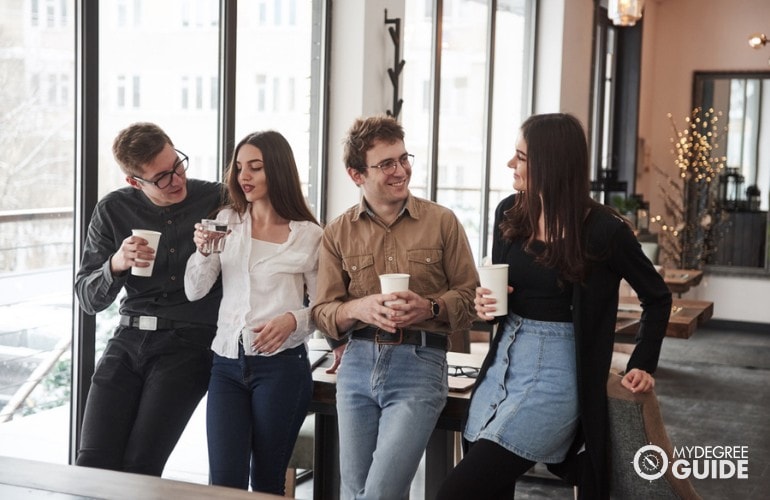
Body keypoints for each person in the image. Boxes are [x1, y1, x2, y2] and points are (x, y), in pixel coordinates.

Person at [436, 113, 673, 499]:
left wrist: (643, 362)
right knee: (488, 488)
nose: (511, 164)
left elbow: (657, 297)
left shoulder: (604, 230)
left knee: (457, 491)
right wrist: (487, 304)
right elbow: (501, 299)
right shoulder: (509, 211)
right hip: (503, 365)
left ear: (550, 163)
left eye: (521, 157)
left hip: (558, 376)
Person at [311, 114, 478, 499]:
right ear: (357, 174)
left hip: (419, 364)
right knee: (355, 491)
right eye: (386, 164)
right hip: (356, 365)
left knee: (380, 493)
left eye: (403, 158)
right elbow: (323, 310)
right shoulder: (338, 231)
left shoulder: (442, 222)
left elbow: (470, 299)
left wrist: (430, 307)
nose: (400, 170)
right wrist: (359, 308)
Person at [74, 122, 224, 475]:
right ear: (134, 182)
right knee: (91, 464)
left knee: (140, 467)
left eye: (178, 165)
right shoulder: (113, 210)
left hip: (189, 342)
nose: (176, 179)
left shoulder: (218, 200)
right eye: (161, 177)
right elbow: (87, 298)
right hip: (127, 340)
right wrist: (116, 264)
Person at [184, 130, 322, 494]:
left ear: (277, 170)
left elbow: (324, 307)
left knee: (266, 482)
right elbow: (194, 290)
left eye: (255, 167)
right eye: (240, 167)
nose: (244, 176)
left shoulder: (309, 235)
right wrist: (203, 251)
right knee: (223, 484)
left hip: (281, 368)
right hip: (226, 366)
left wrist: (294, 319)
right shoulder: (227, 220)